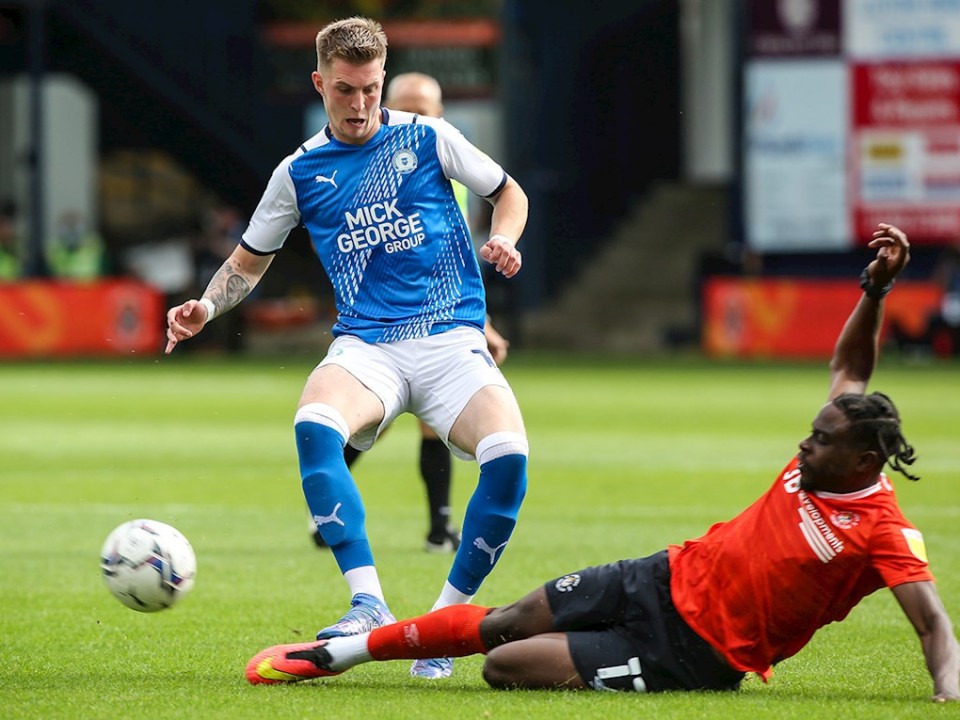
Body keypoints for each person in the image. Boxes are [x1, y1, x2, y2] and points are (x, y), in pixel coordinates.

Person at [246, 224, 960, 702]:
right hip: (663, 574)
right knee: (511, 618)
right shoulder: (829, 454)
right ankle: (340, 655)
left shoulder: (883, 530)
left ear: (865, 460)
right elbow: (849, 370)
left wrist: (946, 693)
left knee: (504, 667)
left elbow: (933, 624)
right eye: (811, 432)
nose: (804, 447)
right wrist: (875, 290)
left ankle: (584, 655)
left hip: (695, 654)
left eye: (822, 441)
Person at [165, 16, 530, 681]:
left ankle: (440, 626)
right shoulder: (299, 172)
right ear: (319, 84)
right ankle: (367, 603)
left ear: (381, 79)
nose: (359, 105)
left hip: (451, 338)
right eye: (344, 91)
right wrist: (208, 306)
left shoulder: (429, 137)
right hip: (369, 347)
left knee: (509, 459)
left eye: (369, 89)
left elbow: (508, 192)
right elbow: (247, 262)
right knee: (314, 422)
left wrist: (505, 237)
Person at [309, 71, 510, 554]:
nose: (415, 116)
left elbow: (449, 257)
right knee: (369, 423)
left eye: (424, 109)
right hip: (379, 318)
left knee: (420, 421)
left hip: (438, 316)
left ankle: (437, 526)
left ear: (439, 114)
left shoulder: (446, 164)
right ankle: (331, 508)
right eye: (407, 107)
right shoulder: (362, 166)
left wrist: (478, 322)